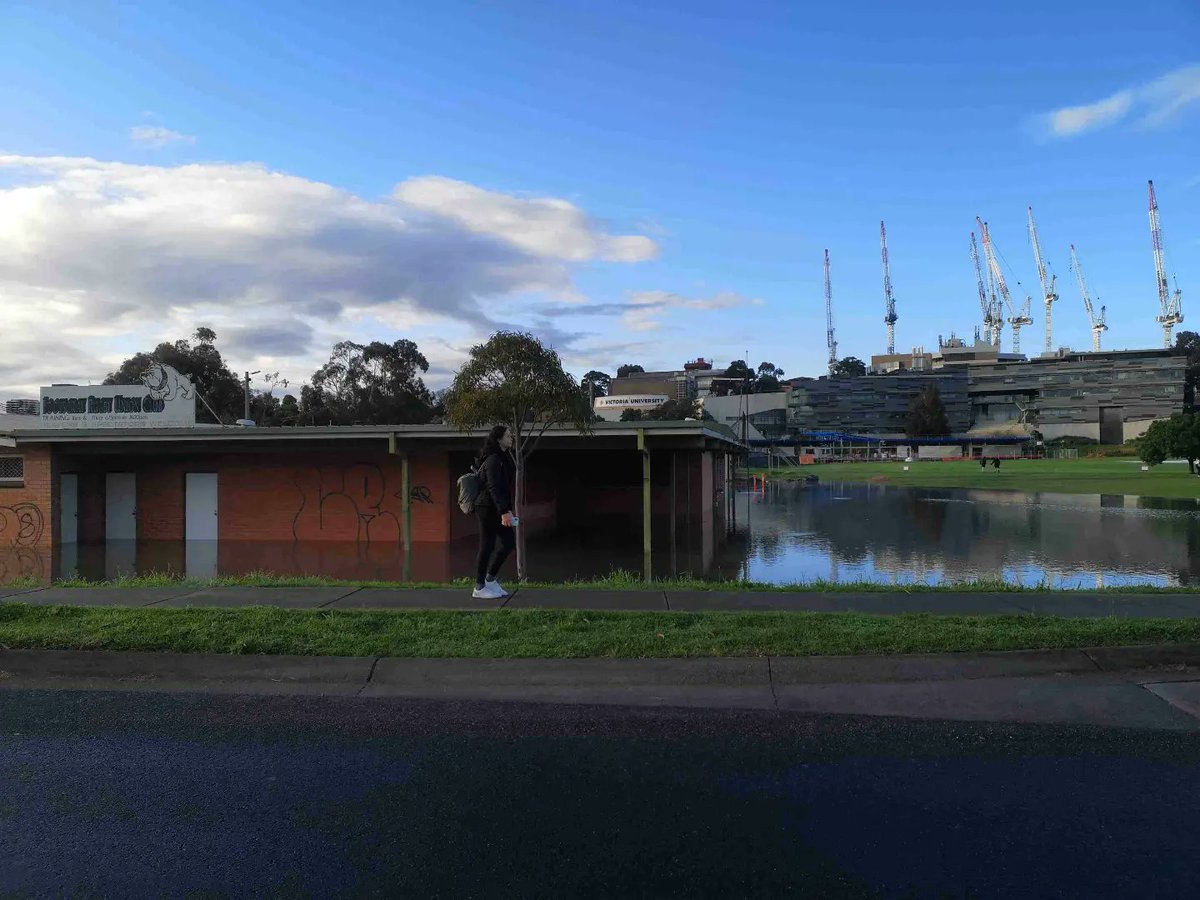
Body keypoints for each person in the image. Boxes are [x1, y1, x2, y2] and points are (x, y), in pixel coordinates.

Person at [472, 424, 517, 599]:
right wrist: (504, 512)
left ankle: (490, 579)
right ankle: (479, 587)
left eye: (511, 435)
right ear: (499, 439)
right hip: (487, 508)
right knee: (487, 545)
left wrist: (508, 511)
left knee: (508, 543)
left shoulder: (504, 457)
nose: (511, 438)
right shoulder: (493, 460)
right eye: (507, 436)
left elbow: (505, 488)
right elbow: (494, 488)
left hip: (498, 508)